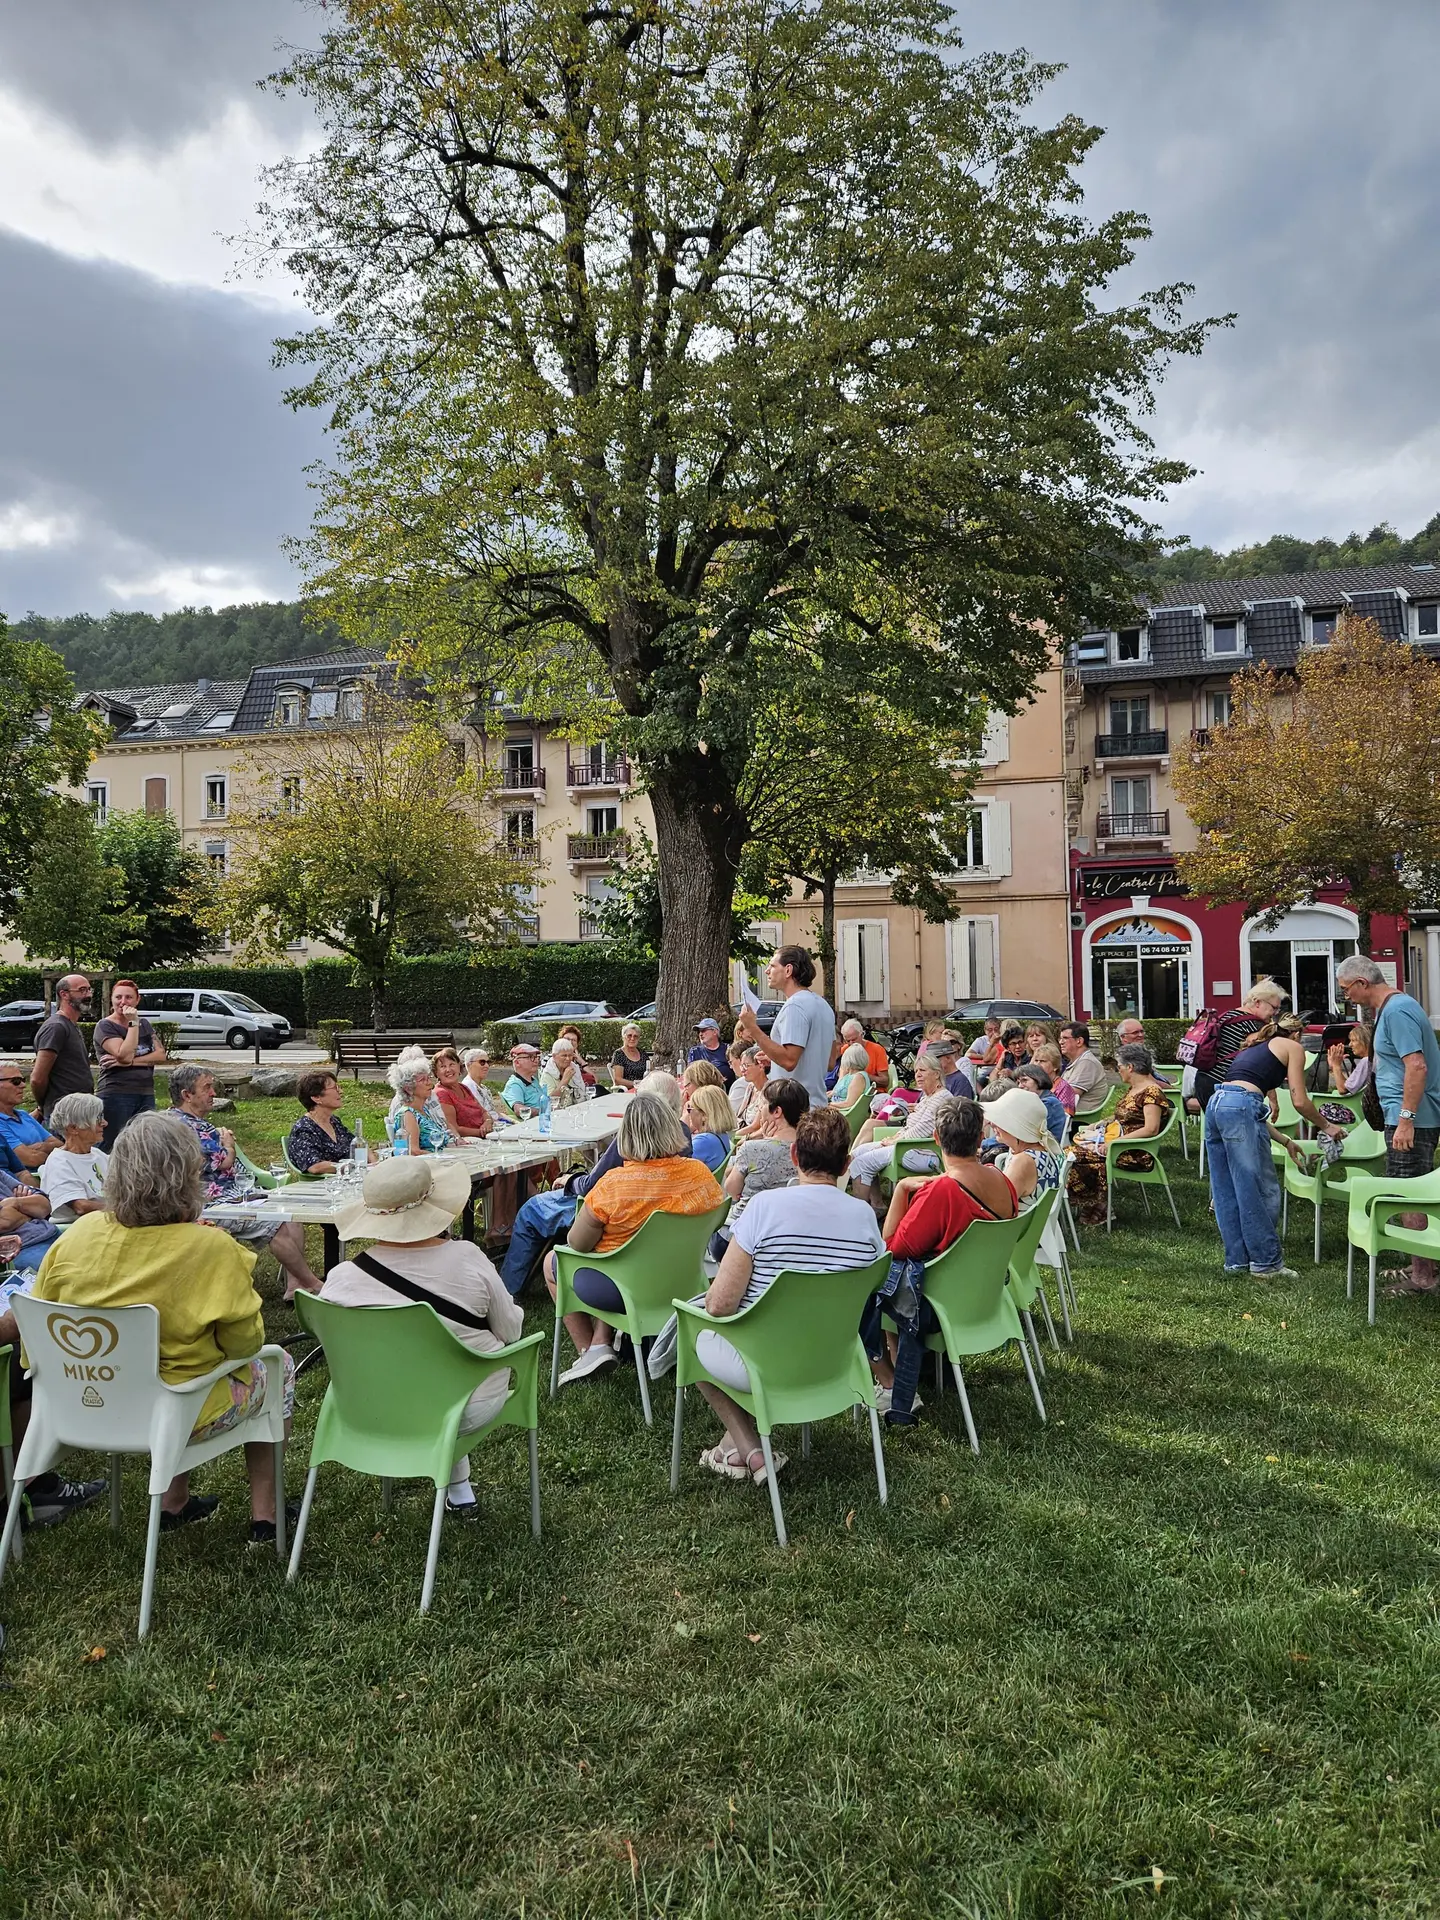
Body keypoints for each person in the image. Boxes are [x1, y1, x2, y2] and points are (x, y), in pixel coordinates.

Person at [31, 1112, 296, 1540]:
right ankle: (267, 1515)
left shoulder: (76, 1237)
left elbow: (35, 1342)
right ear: (187, 1176)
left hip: (80, 1402)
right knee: (276, 1365)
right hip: (179, 1411)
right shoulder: (210, 1247)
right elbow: (245, 1345)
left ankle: (175, 1503)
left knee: (168, 1369)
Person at [322, 1157, 524, 1518]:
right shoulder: (467, 1259)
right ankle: (459, 1489)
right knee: (452, 1369)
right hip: (464, 1406)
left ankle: (459, 1488)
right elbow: (511, 1331)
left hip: (368, 1406)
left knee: (427, 1371)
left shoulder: (340, 1281)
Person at [693, 1106, 885, 1483]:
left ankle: (749, 1449)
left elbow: (719, 1305)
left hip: (766, 1362)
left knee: (692, 1334)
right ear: (846, 1164)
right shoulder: (864, 1218)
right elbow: (871, 1290)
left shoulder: (764, 1208)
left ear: (795, 1155)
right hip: (836, 1358)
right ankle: (738, 1448)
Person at [546, 1091, 721, 1385]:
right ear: (671, 1127)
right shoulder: (701, 1176)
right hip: (686, 1280)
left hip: (626, 1289)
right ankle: (602, 1343)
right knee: (614, 1254)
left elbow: (577, 1245)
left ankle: (590, 1349)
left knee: (554, 1261)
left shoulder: (613, 1185)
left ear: (625, 1135)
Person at [869, 1097, 1018, 1417]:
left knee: (871, 1280)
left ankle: (890, 1382)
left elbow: (891, 1248)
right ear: (981, 1138)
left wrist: (900, 1191)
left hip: (940, 1306)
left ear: (936, 1138)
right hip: (988, 1296)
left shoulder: (941, 1192)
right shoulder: (1002, 1181)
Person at [498, 1071, 690, 1296]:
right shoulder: (683, 1133)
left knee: (531, 1210)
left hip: (619, 1211)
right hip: (656, 1212)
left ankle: (508, 1292)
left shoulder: (633, 1136)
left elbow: (593, 1185)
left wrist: (569, 1181)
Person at [168, 1063, 322, 1302]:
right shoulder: (191, 1129)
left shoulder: (173, 1120)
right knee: (278, 1222)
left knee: (291, 1214)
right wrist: (228, 1143)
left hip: (228, 1194)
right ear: (186, 1095)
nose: (213, 1093)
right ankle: (314, 1284)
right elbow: (224, 1163)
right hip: (210, 1203)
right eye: (206, 1087)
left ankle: (295, 1286)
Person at [1204, 1014, 1343, 1279]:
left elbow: (1244, 1111)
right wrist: (1327, 1126)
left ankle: (1237, 1262)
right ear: (1298, 1034)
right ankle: (1266, 1263)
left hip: (1216, 1103)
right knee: (1257, 1188)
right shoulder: (1293, 1047)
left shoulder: (1256, 1047)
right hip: (1238, 1106)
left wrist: (1286, 1141)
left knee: (1225, 1188)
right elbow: (1299, 1101)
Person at [1336, 954, 1440, 1297]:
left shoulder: (1397, 1011)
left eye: (1346, 989)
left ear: (1362, 983)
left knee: (1410, 1197)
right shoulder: (1392, 1009)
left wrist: (1406, 1120)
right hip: (1405, 1117)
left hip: (1411, 1119)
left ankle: (1424, 1279)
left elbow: (1417, 1066)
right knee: (1405, 1192)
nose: (1346, 997)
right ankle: (1421, 1264)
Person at [1067, 1042, 1177, 1227]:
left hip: (1135, 1152)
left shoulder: (1152, 1092)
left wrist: (1115, 1142)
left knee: (1071, 1155)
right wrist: (1100, 1124)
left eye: (1119, 1067)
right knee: (1069, 1153)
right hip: (1120, 1146)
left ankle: (1099, 1206)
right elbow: (1124, 1116)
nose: (1118, 1071)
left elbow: (1151, 1128)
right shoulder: (1135, 1089)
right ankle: (1095, 1204)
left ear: (1130, 1067)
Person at [712, 1077, 809, 1259]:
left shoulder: (753, 1149)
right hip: (791, 1233)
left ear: (777, 1111)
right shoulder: (812, 1149)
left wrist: (758, 1142)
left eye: (762, 1103)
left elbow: (732, 1189)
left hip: (743, 1236)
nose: (759, 1107)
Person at [847, 1051, 956, 1210]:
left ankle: (859, 1214)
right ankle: (878, 1206)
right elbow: (910, 1127)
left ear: (937, 1074)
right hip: (909, 1146)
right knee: (858, 1152)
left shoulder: (942, 1098)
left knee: (861, 1164)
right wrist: (895, 1137)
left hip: (924, 1152)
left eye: (923, 1071)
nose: (917, 1075)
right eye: (916, 1071)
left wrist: (894, 1141)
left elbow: (921, 1131)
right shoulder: (927, 1097)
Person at [735, 944, 835, 1106]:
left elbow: (789, 1060)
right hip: (816, 1104)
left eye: (773, 966)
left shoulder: (795, 1006)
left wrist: (752, 1028)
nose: (767, 971)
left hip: (793, 1110)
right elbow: (829, 1062)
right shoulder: (823, 1005)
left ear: (788, 970)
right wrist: (774, 1058)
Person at [92, 977, 168, 1148]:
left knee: (145, 1144)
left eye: (128, 997)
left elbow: (161, 1055)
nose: (123, 1002)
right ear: (111, 999)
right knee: (112, 1145)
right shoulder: (105, 1026)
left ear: (137, 1000)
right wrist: (133, 1023)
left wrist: (126, 1063)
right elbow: (124, 1055)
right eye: (118, 997)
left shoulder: (145, 1024)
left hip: (145, 1092)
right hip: (116, 1093)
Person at [1191, 982, 1286, 1110]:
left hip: (1203, 1080)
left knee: (1217, 1127)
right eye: (1274, 1008)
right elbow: (1260, 1064)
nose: (1275, 1013)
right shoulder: (1254, 1025)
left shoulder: (1228, 1015)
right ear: (1257, 1002)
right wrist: (1273, 1100)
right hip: (1224, 1086)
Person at [983, 1087, 1064, 1207]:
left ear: (1016, 1127)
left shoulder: (1023, 1161)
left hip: (1021, 1225)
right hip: (1036, 1223)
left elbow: (997, 1207)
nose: (992, 1123)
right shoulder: (1037, 1149)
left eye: (1001, 1120)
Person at [30, 974, 95, 1125]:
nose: (88, 995)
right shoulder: (56, 1027)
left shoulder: (70, 1025)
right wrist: (42, 1105)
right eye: (82, 990)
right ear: (64, 994)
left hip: (80, 1111)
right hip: (64, 1115)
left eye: (89, 990)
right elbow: (37, 1078)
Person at [37, 1091, 108, 1223]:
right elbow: (81, 1206)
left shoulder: (98, 1155)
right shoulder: (60, 1162)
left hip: (105, 1222)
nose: (104, 1123)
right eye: (97, 1119)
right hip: (77, 1229)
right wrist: (125, 1209)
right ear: (73, 1128)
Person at [287, 1071, 361, 1174]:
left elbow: (358, 1145)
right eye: (335, 1088)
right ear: (317, 1098)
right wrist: (352, 1167)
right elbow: (315, 1166)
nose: (340, 1091)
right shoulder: (303, 1129)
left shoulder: (334, 1122)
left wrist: (375, 1165)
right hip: (320, 1186)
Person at [385, 1047, 456, 1154]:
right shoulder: (407, 1114)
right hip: (429, 1166)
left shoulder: (423, 1111)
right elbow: (413, 1151)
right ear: (408, 1088)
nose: (429, 1083)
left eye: (428, 1078)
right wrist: (441, 1156)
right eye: (423, 1080)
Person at [0, 1057, 57, 1175]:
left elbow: (60, 1145)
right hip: (23, 1186)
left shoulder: (23, 1115)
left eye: (22, 1080)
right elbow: (30, 1159)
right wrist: (53, 1153)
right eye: (15, 1081)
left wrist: (42, 1146)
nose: (23, 1085)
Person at [0, 1162, 59, 1272]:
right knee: (70, 1273)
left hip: (52, 1232)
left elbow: (45, 1206)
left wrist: (16, 1203)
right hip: (22, 1248)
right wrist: (29, 1212)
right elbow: (5, 1222)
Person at [433, 1046, 493, 1140]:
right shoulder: (441, 1093)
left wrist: (488, 1122)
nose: (448, 1070)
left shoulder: (463, 1087)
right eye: (443, 1066)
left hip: (485, 1136)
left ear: (459, 1067)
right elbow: (454, 1129)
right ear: (436, 1073)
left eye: (452, 1064)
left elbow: (484, 1112)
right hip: (469, 1141)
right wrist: (483, 1132)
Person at [1057, 1023, 1109, 1117]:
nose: (1061, 1042)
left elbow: (1069, 1095)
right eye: (1060, 1038)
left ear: (1079, 1041)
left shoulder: (1087, 1062)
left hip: (1078, 1119)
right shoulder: (1077, 1061)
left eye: (1065, 1038)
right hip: (1067, 1116)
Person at [1014, 1063, 1069, 1146]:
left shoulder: (1048, 1103)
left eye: (1024, 1080)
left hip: (1045, 1150)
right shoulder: (1036, 1100)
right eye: (1018, 1082)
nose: (1020, 1086)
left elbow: (1025, 1133)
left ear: (1038, 1079)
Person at [683, 1083, 734, 1171]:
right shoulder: (719, 1134)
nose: (689, 1114)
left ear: (704, 1115)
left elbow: (675, 1166)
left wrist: (683, 1127)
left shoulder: (703, 1141)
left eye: (690, 1109)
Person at [462, 1048, 514, 1126]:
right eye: (482, 1062)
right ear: (469, 1064)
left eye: (488, 1062)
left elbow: (495, 1113)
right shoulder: (468, 1087)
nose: (486, 1066)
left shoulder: (482, 1087)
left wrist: (513, 1122)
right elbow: (478, 1118)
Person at [728, 1047, 769, 1134]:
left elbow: (755, 1127)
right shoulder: (750, 1087)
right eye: (741, 1065)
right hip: (745, 1133)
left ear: (761, 1066)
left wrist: (734, 1136)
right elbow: (740, 1117)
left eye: (746, 1065)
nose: (742, 1070)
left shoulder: (769, 1092)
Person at [502, 1043, 548, 1120]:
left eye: (536, 1057)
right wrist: (544, 1111)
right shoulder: (514, 1084)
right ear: (517, 1063)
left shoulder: (533, 1080)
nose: (536, 1060)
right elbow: (519, 1110)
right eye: (531, 1057)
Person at [1030, 1043, 1076, 1118]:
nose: (1037, 1065)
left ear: (1055, 1066)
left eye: (1042, 1061)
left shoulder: (1063, 1087)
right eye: (1036, 1060)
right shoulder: (1033, 1084)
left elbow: (1064, 1117)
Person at [540, 1035, 587, 1110]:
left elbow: (582, 1092)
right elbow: (547, 1102)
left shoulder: (574, 1068)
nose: (568, 1059)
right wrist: (565, 1080)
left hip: (576, 1108)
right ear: (554, 1056)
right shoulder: (547, 1074)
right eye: (564, 1056)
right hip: (557, 1113)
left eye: (570, 1055)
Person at [1327, 1023, 1373, 1093]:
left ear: (1366, 1041)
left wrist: (1336, 1066)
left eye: (1353, 1040)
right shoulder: (1375, 1059)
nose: (1350, 1045)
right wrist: (1334, 1067)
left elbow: (1343, 1090)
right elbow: (1347, 1086)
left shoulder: (1366, 1061)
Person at [688, 1017, 734, 1086]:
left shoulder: (727, 1049)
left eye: (703, 1030)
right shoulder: (695, 1052)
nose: (700, 1034)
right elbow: (690, 1076)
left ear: (715, 1032)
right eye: (699, 1031)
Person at [829, 1044, 873, 1110]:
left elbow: (849, 1103)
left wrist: (828, 1104)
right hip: (835, 1106)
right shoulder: (849, 1075)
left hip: (843, 1112)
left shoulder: (859, 1077)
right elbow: (834, 1092)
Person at [610, 1023, 650, 1089]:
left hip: (644, 1089)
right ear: (623, 1037)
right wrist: (637, 1084)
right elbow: (618, 1080)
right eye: (629, 1035)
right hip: (627, 1091)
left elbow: (650, 1072)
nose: (632, 1038)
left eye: (635, 1036)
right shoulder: (619, 1054)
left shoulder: (642, 1053)